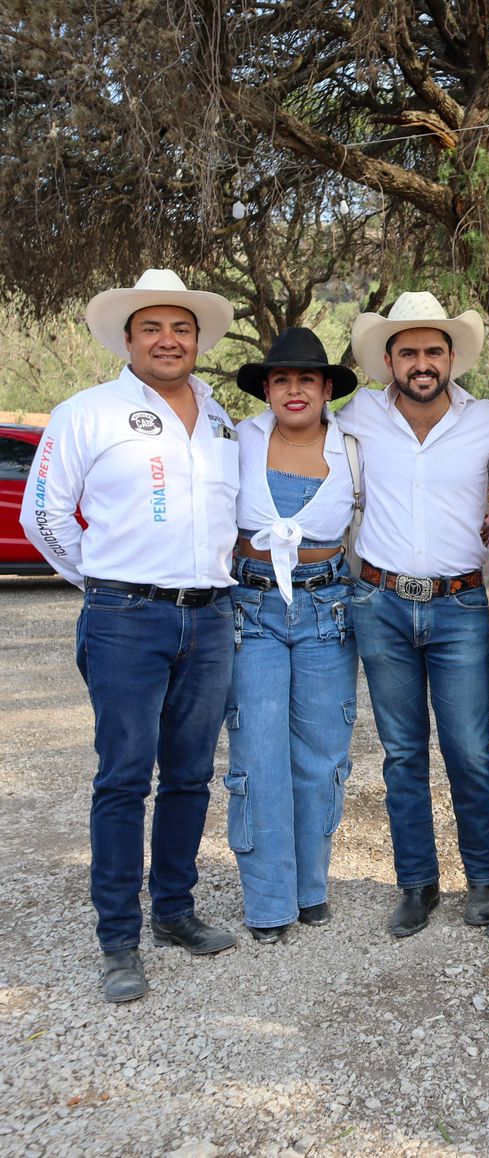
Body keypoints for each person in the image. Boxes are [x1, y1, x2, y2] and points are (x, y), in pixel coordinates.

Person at [24, 269, 241, 1002]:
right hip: (125, 618)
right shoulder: (85, 412)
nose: (168, 340)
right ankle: (118, 937)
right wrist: (106, 583)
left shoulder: (221, 420)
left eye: (181, 328)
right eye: (152, 327)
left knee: (189, 775)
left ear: (199, 340)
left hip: (210, 617)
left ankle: (174, 912)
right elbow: (43, 518)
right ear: (127, 339)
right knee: (123, 777)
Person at [338, 292, 489, 938]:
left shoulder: (486, 419)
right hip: (379, 603)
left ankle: (484, 878)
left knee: (468, 748)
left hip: (460, 603)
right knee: (402, 752)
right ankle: (416, 882)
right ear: (389, 360)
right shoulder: (358, 418)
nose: (422, 362)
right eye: (408, 351)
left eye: (433, 350)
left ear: (451, 357)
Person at [225, 328, 361, 943]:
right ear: (268, 390)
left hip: (326, 609)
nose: (295, 390)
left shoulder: (355, 448)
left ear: (327, 388)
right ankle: (269, 901)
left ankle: (311, 887)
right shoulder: (238, 440)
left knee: (322, 754)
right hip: (250, 609)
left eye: (308, 379)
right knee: (258, 755)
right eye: (282, 380)